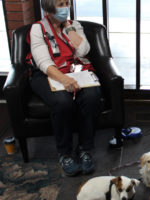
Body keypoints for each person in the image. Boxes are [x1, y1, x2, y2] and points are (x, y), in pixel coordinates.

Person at [26, 0, 101, 176]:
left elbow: (83, 51)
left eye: (67, 2)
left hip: (75, 70)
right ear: (49, 8)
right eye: (61, 4)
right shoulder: (38, 28)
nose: (66, 7)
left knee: (92, 95)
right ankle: (65, 153)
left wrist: (69, 29)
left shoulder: (75, 25)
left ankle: (84, 149)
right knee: (62, 101)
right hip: (48, 73)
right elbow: (43, 62)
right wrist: (64, 80)